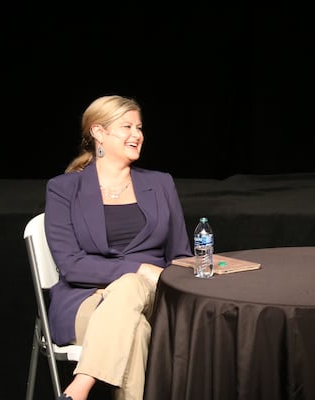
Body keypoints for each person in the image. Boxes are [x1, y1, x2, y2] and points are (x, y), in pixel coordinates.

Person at [44, 95, 192, 400]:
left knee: (131, 288)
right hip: (85, 302)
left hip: (151, 294)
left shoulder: (161, 184)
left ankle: (78, 388)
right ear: (98, 132)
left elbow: (180, 254)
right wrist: (137, 268)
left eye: (139, 127)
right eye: (126, 126)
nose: (137, 134)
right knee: (135, 329)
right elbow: (71, 265)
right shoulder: (63, 189)